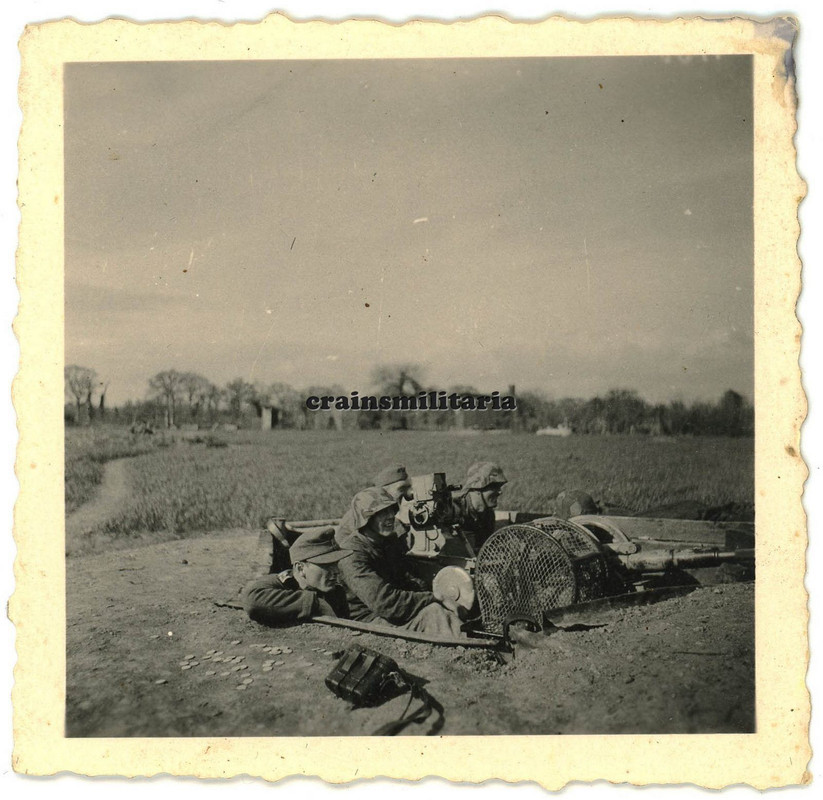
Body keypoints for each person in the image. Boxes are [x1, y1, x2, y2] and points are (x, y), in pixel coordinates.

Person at [335, 486, 465, 637]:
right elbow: (385, 603)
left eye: (391, 510)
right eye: (382, 512)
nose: (390, 516)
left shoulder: (388, 542)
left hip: (393, 615)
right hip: (368, 623)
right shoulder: (351, 553)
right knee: (434, 613)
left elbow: (410, 577)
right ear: (366, 518)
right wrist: (435, 596)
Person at [242, 527, 351, 626]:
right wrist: (315, 603)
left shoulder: (336, 592)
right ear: (300, 568)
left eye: (336, 565)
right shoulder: (280, 583)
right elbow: (252, 600)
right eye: (327, 566)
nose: (336, 571)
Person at [336, 464, 413, 541]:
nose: (408, 494)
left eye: (408, 487)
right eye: (401, 489)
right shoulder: (362, 515)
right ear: (383, 491)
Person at [451, 461, 508, 551]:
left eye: (499, 487)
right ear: (477, 488)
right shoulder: (453, 509)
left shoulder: (488, 514)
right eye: (494, 487)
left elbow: (485, 548)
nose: (500, 492)